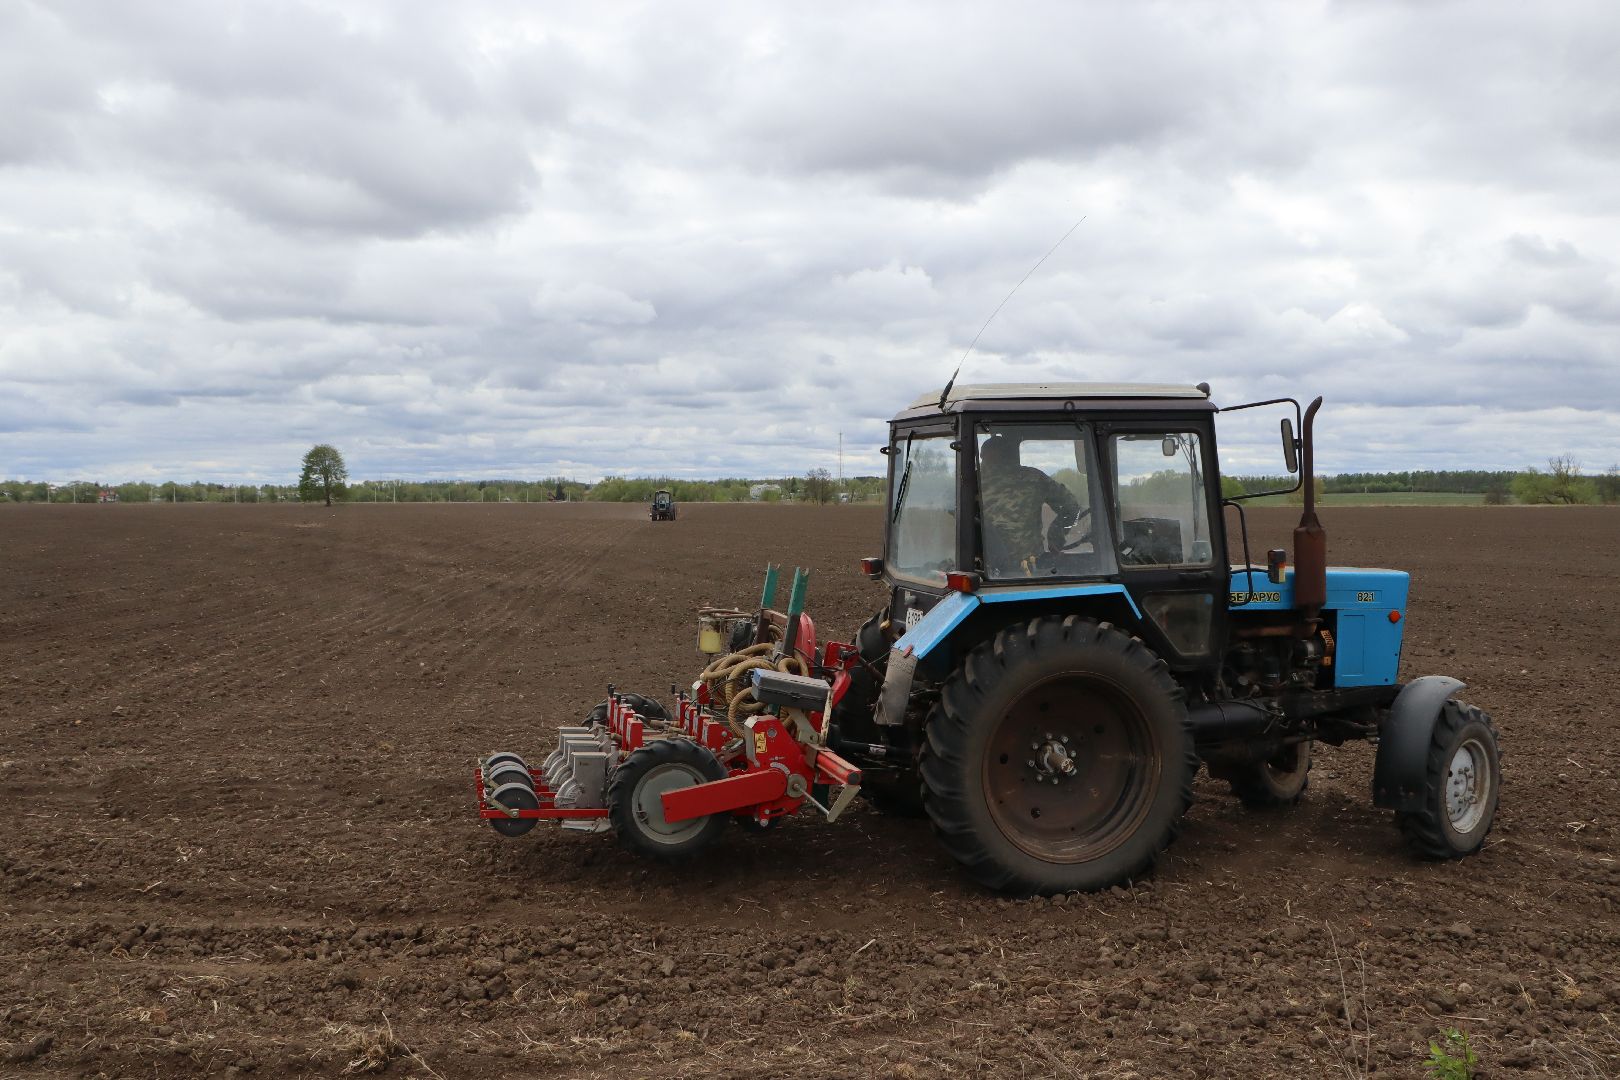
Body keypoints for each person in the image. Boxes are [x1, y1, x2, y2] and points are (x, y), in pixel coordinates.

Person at [979, 435, 1082, 575]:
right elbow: (1072, 507)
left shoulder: (970, 482)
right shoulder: (1034, 478)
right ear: (1011, 455)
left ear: (982, 456)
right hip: (1028, 568)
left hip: (982, 570)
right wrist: (1056, 537)